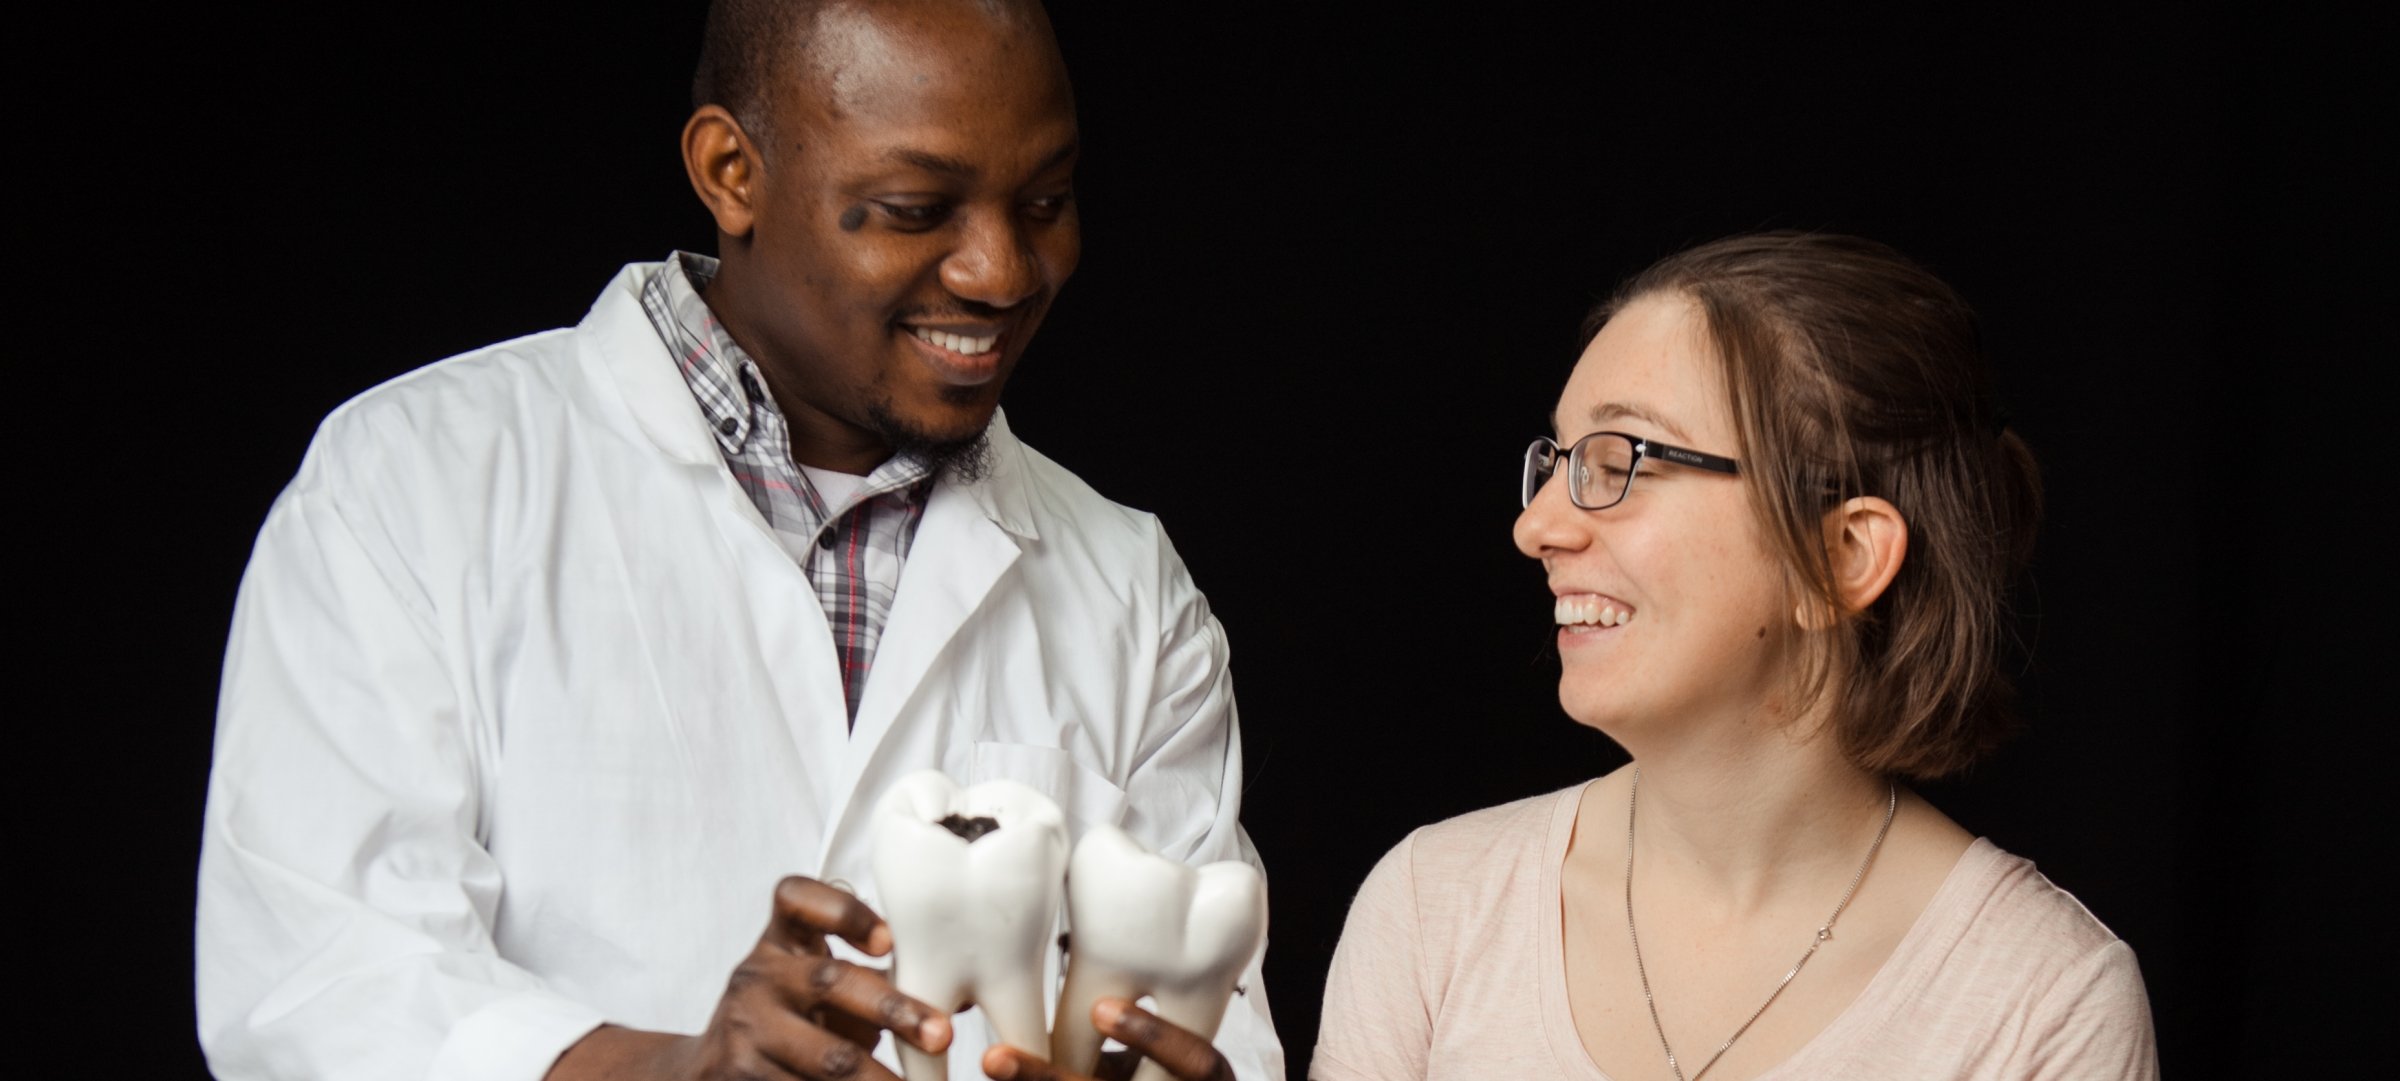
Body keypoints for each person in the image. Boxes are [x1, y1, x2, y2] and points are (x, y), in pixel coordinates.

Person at [193, 3, 1277, 1081]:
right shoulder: (416, 480)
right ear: (730, 172)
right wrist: (682, 1071)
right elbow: (318, 980)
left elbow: (1217, 1018)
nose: (999, 271)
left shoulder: (1132, 589)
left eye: (1045, 201)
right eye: (915, 208)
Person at [1311, 232, 2158, 1080]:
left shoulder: (2044, 1002)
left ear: (1841, 556)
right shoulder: (1433, 908)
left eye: (1622, 461)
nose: (1536, 528)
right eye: (1558, 460)